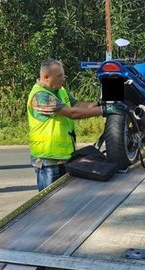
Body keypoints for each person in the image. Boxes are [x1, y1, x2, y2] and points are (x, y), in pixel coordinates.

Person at [27, 59, 103, 191]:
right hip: (48, 161)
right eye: (59, 76)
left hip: (65, 158)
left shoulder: (60, 90)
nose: (63, 79)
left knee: (65, 201)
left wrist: (101, 103)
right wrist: (103, 111)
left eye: (63, 75)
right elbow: (72, 113)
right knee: (50, 205)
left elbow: (78, 105)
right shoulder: (40, 96)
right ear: (45, 77)